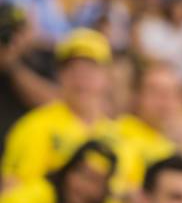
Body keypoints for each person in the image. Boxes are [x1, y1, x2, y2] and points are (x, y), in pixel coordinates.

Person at [1, 28, 114, 188]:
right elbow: (14, 191)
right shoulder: (34, 126)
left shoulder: (117, 136)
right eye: (72, 69)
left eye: (90, 69)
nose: (81, 78)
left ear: (107, 77)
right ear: (60, 76)